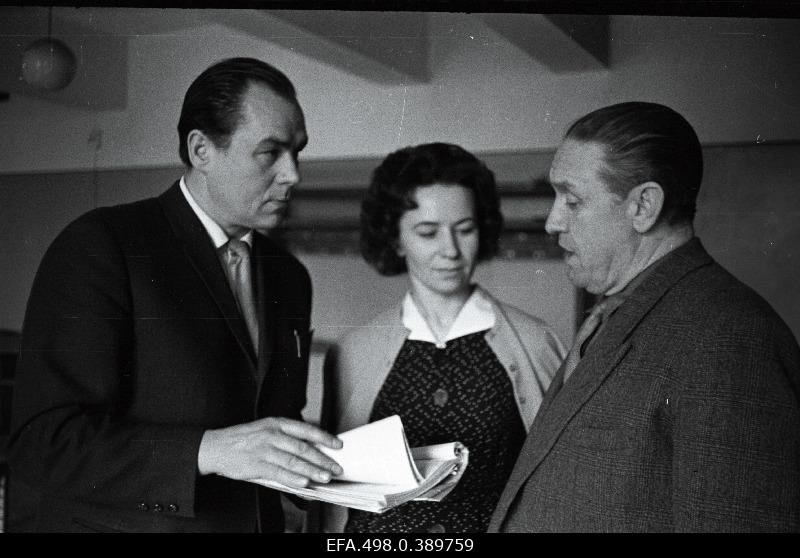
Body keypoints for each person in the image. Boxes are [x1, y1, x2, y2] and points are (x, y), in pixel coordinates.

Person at [6, 57, 344, 533]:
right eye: (271, 152)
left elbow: (273, 425)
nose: (293, 174)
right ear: (201, 149)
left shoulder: (290, 277)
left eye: (297, 151)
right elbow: (45, 441)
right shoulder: (103, 245)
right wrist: (209, 450)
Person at [489, 101, 800, 532]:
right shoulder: (618, 311)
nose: (552, 222)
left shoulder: (730, 338)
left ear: (644, 206)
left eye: (572, 200)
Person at [322, 143, 565, 533]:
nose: (450, 250)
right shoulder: (352, 351)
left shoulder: (537, 343)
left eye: (464, 229)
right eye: (428, 232)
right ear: (397, 239)